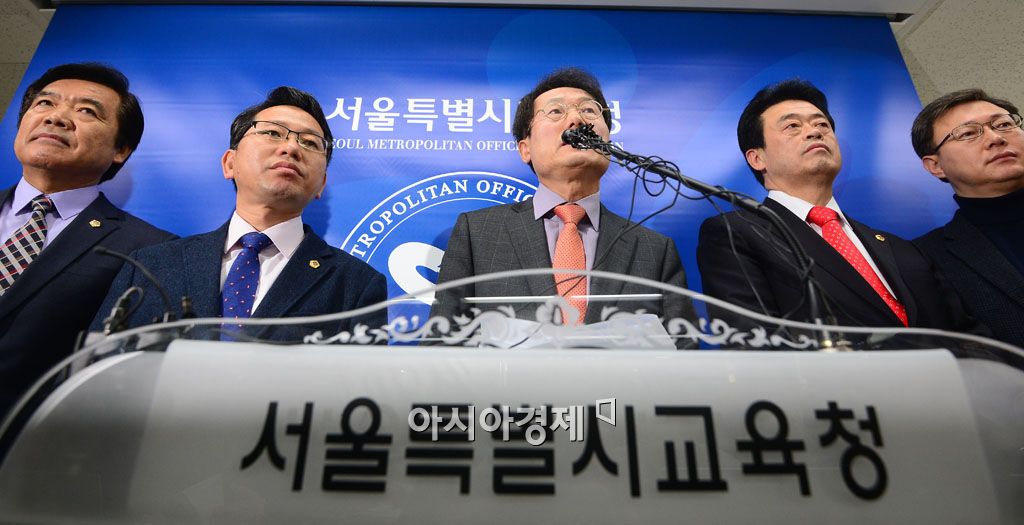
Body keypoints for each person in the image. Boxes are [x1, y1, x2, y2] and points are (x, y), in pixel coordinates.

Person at [94, 86, 386, 341]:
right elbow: (99, 367)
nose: (291, 148)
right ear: (229, 163)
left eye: (309, 142)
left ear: (321, 183)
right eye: (272, 133)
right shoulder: (150, 265)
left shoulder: (355, 284)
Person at [430, 67, 697, 345]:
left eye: (590, 111)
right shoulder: (478, 233)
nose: (577, 120)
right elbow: (440, 346)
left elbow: (685, 354)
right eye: (556, 111)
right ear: (525, 149)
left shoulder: (654, 249)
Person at [697, 78, 972, 336]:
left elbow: (966, 333)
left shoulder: (903, 250)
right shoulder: (737, 234)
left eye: (823, 125)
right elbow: (754, 341)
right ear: (757, 158)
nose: (815, 132)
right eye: (792, 126)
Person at [0, 63, 174, 418]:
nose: (56, 117)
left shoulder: (149, 251)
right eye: (45, 103)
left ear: (121, 149)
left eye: (86, 111)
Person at [911, 88, 1024, 347]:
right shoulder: (925, 259)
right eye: (968, 133)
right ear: (935, 166)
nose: (996, 138)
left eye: (1004, 124)